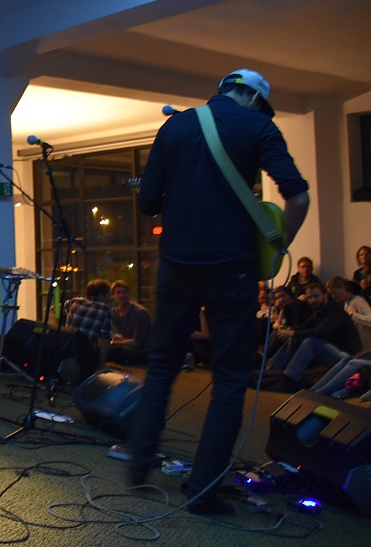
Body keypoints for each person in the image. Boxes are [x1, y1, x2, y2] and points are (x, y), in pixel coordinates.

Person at [125, 69, 310, 516]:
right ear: (255, 100)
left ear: (224, 91)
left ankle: (138, 466)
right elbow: (298, 197)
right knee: (228, 380)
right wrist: (280, 241)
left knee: (162, 367)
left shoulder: (176, 125)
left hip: (177, 265)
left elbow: (147, 201)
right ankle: (203, 492)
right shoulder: (260, 127)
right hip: (233, 269)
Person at [267, 281, 362, 391]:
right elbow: (305, 326)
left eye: (316, 296)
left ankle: (290, 377)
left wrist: (294, 333)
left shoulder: (335, 311)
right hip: (331, 350)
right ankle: (272, 369)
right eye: (310, 297)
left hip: (347, 356)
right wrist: (291, 331)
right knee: (295, 338)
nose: (313, 300)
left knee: (311, 342)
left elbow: (321, 332)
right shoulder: (318, 310)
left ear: (325, 295)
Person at [63, 279, 113, 367]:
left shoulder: (74, 302)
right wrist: (101, 364)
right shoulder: (105, 309)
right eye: (108, 294)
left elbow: (56, 309)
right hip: (84, 354)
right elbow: (105, 339)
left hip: (66, 349)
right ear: (102, 294)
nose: (110, 297)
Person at [106, 280, 152, 365]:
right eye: (118, 293)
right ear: (113, 296)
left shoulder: (140, 313)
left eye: (124, 292)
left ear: (128, 294)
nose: (122, 296)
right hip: (128, 347)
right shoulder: (115, 313)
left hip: (144, 351)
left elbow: (137, 342)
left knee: (114, 349)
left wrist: (114, 342)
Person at [327, 276, 371, 349]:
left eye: (334, 292)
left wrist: (352, 315)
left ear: (343, 288)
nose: (333, 296)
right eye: (331, 294)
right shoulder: (345, 304)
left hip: (364, 346)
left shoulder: (359, 301)